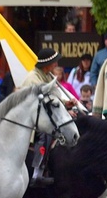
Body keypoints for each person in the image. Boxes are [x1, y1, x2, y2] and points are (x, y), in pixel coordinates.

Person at [22, 48, 74, 187]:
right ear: (48, 64)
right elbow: (39, 102)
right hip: (31, 117)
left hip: (45, 113)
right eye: (54, 62)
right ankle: (37, 174)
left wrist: (66, 104)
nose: (56, 64)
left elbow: (55, 96)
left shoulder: (48, 76)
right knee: (45, 134)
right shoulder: (33, 78)